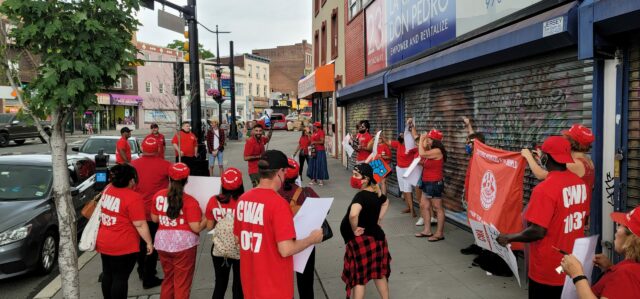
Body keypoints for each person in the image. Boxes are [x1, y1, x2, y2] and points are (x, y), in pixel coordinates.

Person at [496, 136, 591, 298]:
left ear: (545, 158)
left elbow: (537, 231)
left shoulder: (544, 189)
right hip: (570, 263)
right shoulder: (580, 184)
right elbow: (584, 220)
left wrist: (509, 238)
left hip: (547, 267)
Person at [233, 150, 323, 299]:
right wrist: (312, 239)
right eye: (285, 170)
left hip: (251, 284)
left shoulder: (243, 199)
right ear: (280, 172)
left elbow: (238, 240)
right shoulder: (278, 204)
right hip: (275, 286)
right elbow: (286, 249)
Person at [96, 164, 153, 299]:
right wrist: (149, 242)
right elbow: (139, 224)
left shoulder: (108, 189)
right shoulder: (133, 197)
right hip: (123, 243)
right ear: (131, 180)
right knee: (120, 278)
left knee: (107, 273)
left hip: (104, 240)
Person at [151, 163, 205, 299]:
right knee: (182, 283)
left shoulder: (158, 196)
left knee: (168, 279)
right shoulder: (190, 201)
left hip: (162, 243)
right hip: (184, 246)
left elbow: (154, 219)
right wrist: (207, 217)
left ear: (169, 178)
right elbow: (196, 227)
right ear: (186, 180)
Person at [560, 207, 640, 299]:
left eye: (621, 225)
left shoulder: (626, 274)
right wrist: (610, 268)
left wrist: (577, 274)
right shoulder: (631, 269)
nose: (617, 229)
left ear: (632, 240)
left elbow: (626, 281)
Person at [341, 163, 391, 299]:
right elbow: (386, 202)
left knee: (359, 279)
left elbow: (353, 214)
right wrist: (379, 219)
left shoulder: (361, 197)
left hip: (362, 242)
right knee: (379, 273)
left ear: (366, 179)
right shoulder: (376, 193)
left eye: (356, 175)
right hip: (378, 239)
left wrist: (354, 229)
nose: (353, 177)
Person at [278, 158, 323, 299]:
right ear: (298, 174)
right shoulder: (306, 192)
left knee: (281, 282)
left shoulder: (275, 193)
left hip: (281, 242)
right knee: (306, 284)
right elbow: (323, 210)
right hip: (305, 242)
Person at [131, 138, 170, 289]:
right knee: (152, 244)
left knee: (141, 244)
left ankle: (141, 269)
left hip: (136, 211)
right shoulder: (165, 165)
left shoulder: (133, 164)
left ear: (142, 148)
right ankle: (149, 276)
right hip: (155, 212)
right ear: (158, 148)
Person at [205, 167, 245, 299]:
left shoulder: (214, 201)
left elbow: (209, 227)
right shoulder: (245, 201)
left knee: (220, 284)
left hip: (220, 248)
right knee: (239, 286)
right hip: (241, 248)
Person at [522, 123, 596, 191]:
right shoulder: (587, 160)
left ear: (570, 142)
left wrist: (528, 156)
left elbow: (540, 174)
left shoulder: (575, 164)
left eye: (566, 138)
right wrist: (542, 157)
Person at [415, 129, 447, 242]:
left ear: (434, 140)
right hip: (426, 181)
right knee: (424, 205)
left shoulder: (437, 151)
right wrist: (421, 163)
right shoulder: (432, 150)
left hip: (434, 182)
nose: (427, 140)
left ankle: (439, 233)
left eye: (429, 138)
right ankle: (427, 230)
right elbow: (426, 161)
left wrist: (422, 139)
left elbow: (422, 153)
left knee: (438, 208)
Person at [389, 119, 419, 217]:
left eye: (402, 134)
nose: (400, 135)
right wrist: (379, 137)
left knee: (408, 189)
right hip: (399, 169)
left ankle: (412, 210)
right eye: (400, 134)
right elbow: (388, 142)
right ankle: (409, 207)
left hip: (408, 169)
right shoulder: (398, 144)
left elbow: (419, 149)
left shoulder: (411, 147)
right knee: (403, 189)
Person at [243, 122, 272, 187]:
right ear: (253, 131)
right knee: (258, 190)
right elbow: (245, 158)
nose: (258, 132)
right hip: (254, 171)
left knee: (265, 189)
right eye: (256, 131)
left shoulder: (261, 139)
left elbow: (267, 139)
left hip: (263, 169)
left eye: (260, 131)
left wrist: (271, 129)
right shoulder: (250, 142)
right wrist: (259, 156)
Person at [307, 121, 329, 186]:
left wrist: (314, 142)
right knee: (312, 164)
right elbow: (311, 140)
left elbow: (322, 141)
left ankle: (321, 180)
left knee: (320, 164)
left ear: (317, 126)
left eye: (314, 126)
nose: (313, 127)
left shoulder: (321, 132)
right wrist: (309, 136)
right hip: (313, 150)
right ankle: (313, 179)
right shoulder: (314, 132)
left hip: (320, 151)